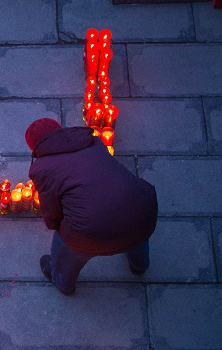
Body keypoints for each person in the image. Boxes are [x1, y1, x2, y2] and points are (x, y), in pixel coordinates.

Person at [25, 118, 157, 295]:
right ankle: (139, 265)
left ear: (34, 148)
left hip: (92, 233)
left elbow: (51, 211)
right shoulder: (92, 142)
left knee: (64, 244)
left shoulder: (42, 169)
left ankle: (63, 282)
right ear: (61, 130)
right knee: (135, 228)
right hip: (144, 211)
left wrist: (58, 227)